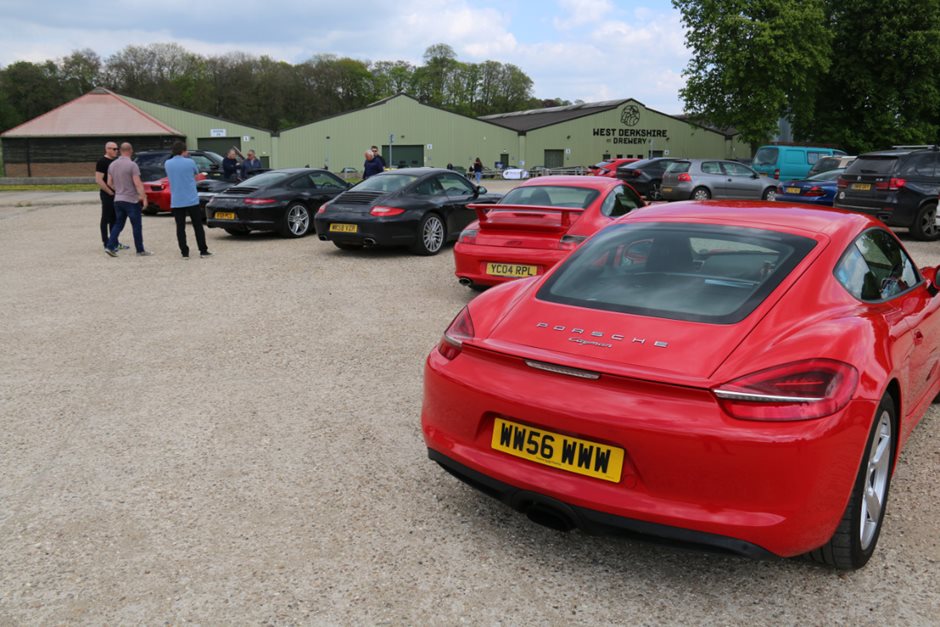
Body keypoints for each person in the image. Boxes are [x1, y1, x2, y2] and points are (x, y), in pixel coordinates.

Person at [165, 141, 212, 259]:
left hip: (176, 200)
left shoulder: (167, 163)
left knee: (180, 228)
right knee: (197, 226)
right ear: (183, 151)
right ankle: (203, 250)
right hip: (191, 199)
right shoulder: (190, 162)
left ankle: (184, 252)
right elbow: (196, 174)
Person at [105, 143, 151, 257]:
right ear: (130, 150)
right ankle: (140, 250)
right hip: (131, 200)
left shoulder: (112, 165)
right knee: (136, 225)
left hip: (118, 199)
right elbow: (137, 183)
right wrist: (144, 197)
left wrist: (119, 190)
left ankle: (110, 246)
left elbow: (109, 182)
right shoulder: (132, 165)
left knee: (118, 224)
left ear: (120, 150)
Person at [95, 141, 128, 251]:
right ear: (107, 149)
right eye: (114, 149)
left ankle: (115, 242)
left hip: (116, 194)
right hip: (107, 194)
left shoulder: (115, 162)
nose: (116, 151)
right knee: (106, 218)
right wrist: (109, 192)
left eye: (117, 149)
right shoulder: (102, 162)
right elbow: (99, 180)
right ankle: (106, 243)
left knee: (115, 218)